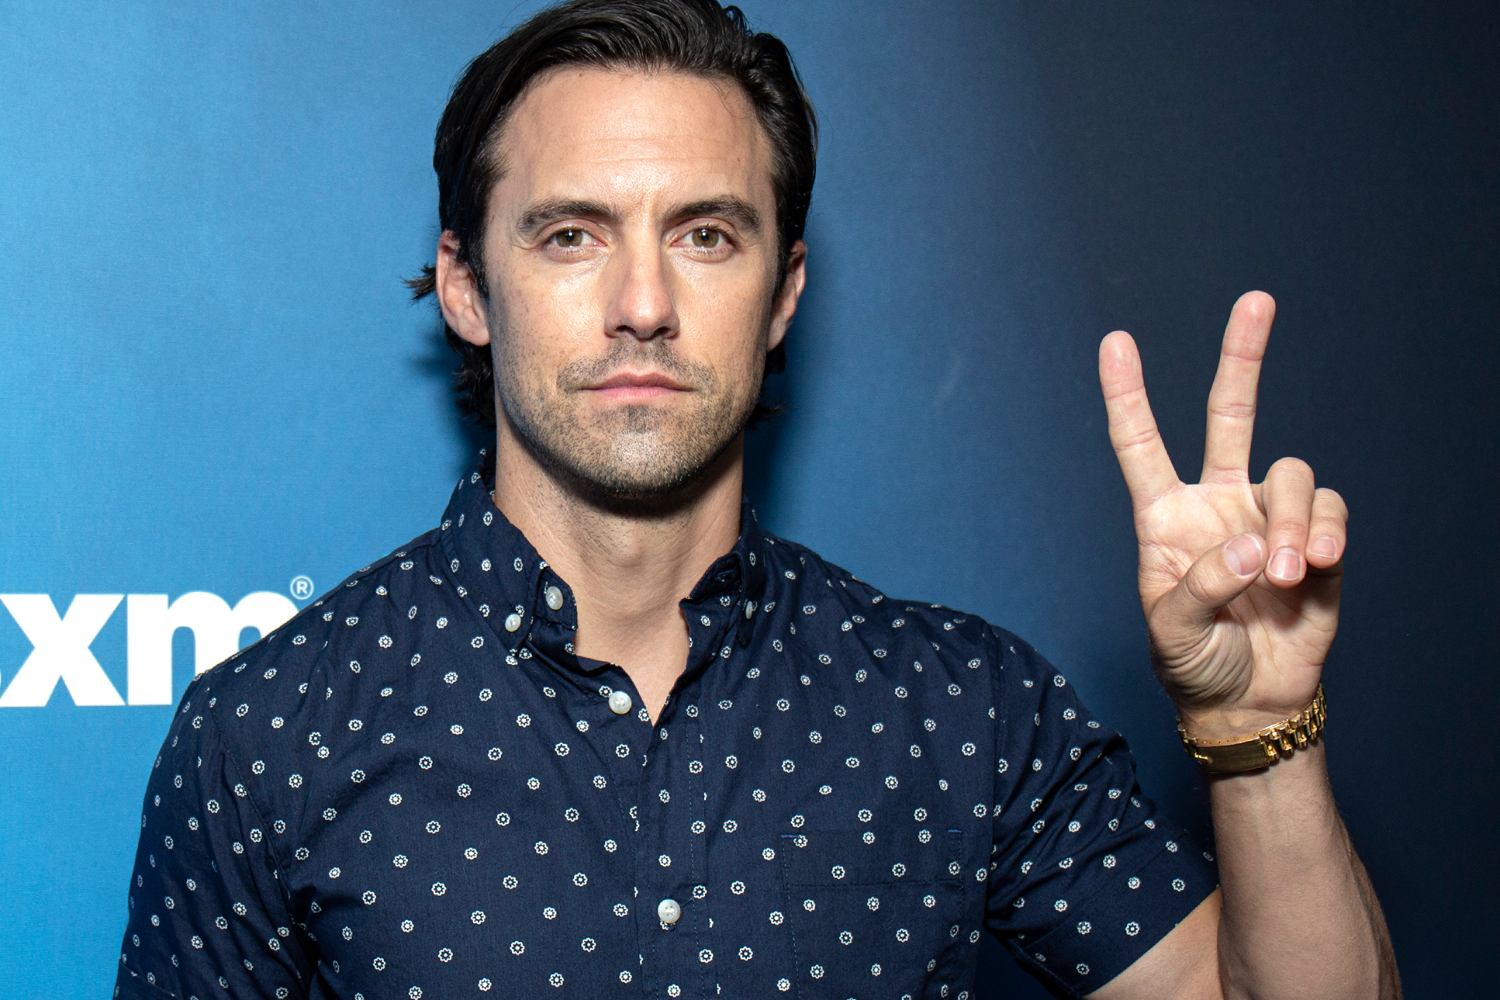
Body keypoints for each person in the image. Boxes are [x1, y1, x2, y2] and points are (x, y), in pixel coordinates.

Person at [114, 1, 1399, 997]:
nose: (642, 303)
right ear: (463, 284)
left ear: (782, 295)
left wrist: (1261, 730)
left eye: (705, 235)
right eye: (571, 233)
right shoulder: (269, 735)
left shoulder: (962, 709)